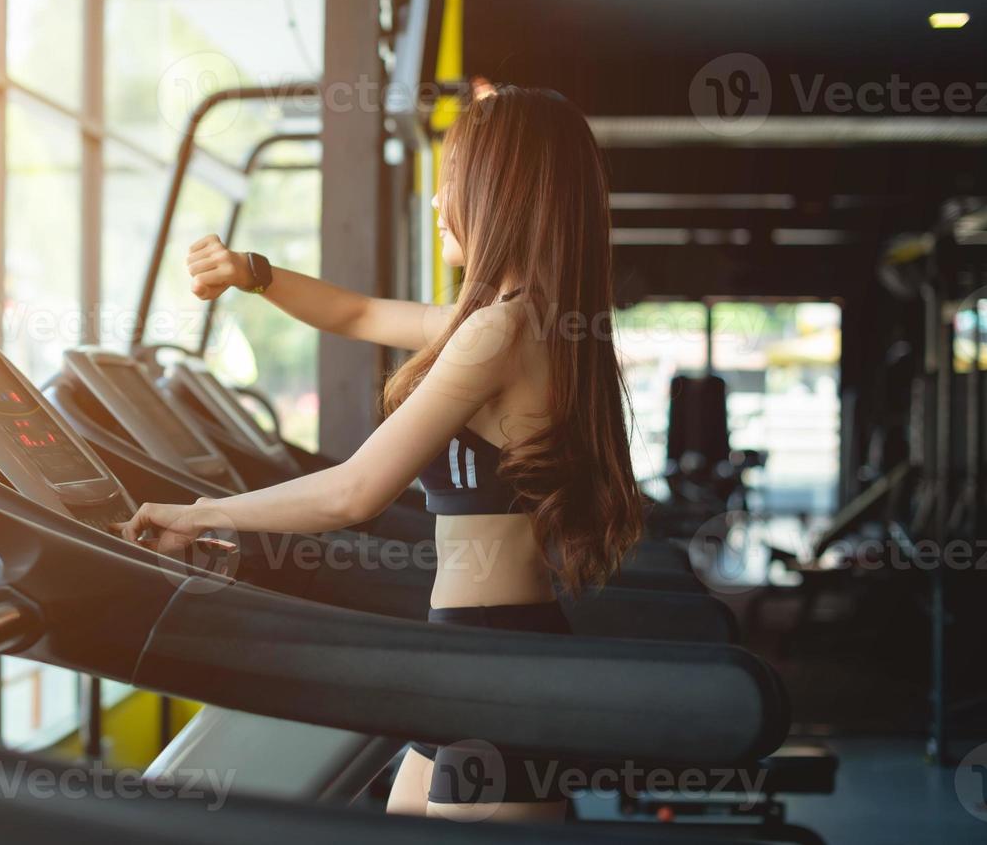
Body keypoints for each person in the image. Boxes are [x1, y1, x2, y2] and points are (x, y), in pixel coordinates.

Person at [115, 85, 643, 822]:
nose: (437, 204)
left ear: (501, 193)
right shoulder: (509, 322)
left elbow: (354, 492)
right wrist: (252, 273)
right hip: (471, 650)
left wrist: (203, 513)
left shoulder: (498, 333)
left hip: (490, 658)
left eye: (452, 183)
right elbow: (355, 311)